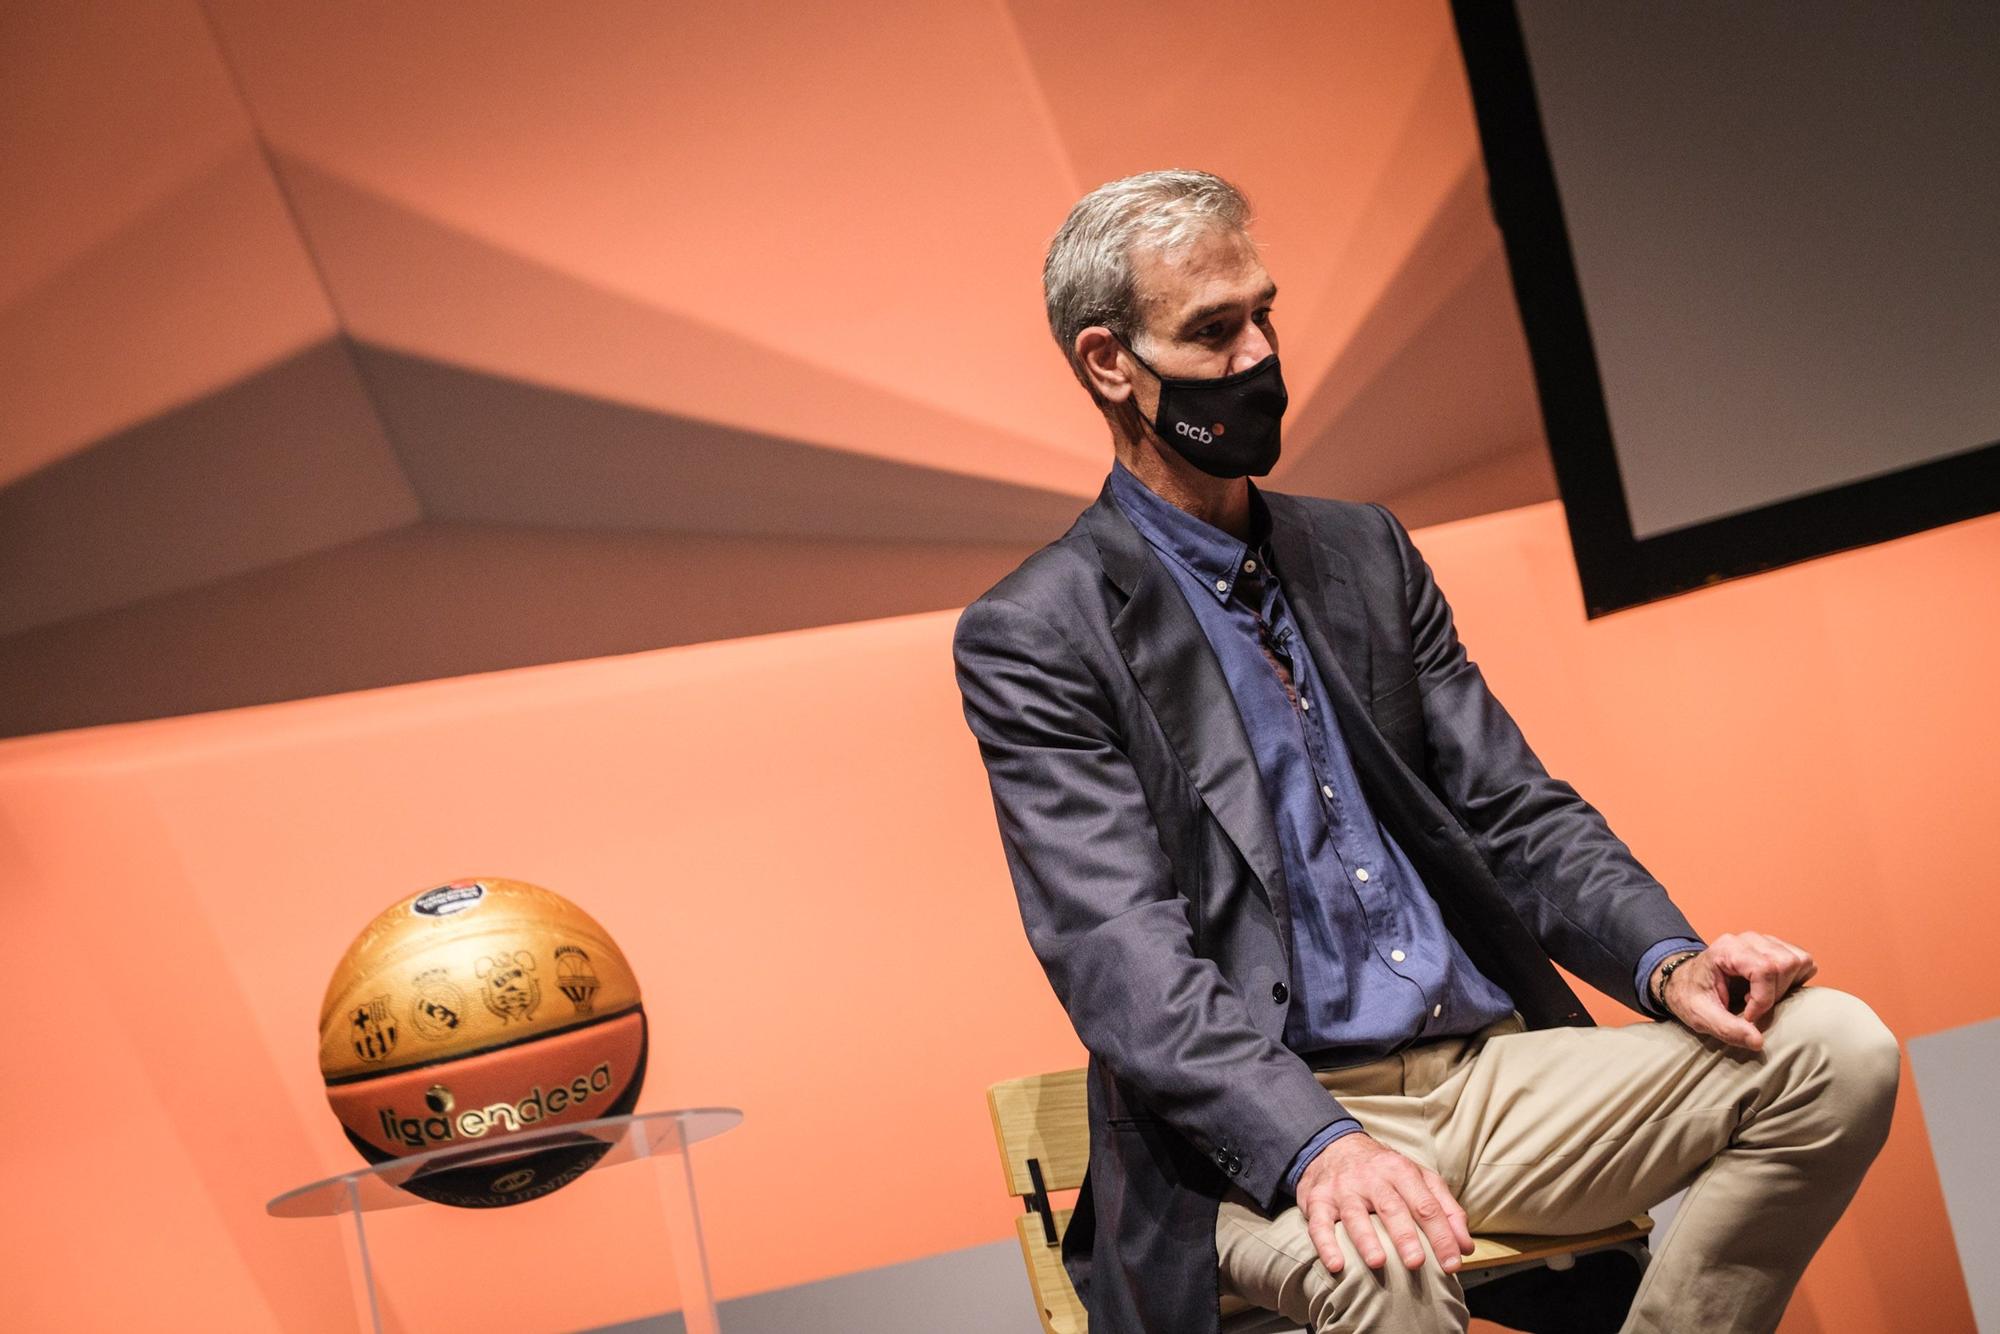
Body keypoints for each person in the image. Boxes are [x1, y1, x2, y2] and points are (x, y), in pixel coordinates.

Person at [950, 169, 1899, 1334]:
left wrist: (1668, 961)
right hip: (1248, 1139)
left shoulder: (1361, 553)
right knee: (1386, 1259)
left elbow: (1512, 812)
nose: (1257, 355)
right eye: (1211, 331)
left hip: (1486, 1080)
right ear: (1108, 362)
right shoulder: (1037, 630)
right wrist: (1314, 1142)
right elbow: (1120, 957)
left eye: (1263, 314)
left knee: (1834, 1050)